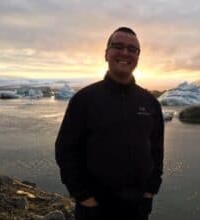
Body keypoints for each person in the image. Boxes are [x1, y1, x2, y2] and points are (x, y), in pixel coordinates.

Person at [55, 27, 164, 220]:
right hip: (94, 208)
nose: (125, 53)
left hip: (137, 208)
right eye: (118, 46)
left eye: (132, 49)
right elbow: (66, 150)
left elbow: (157, 151)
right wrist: (83, 197)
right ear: (106, 54)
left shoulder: (150, 103)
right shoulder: (84, 99)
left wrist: (150, 192)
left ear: (138, 57)